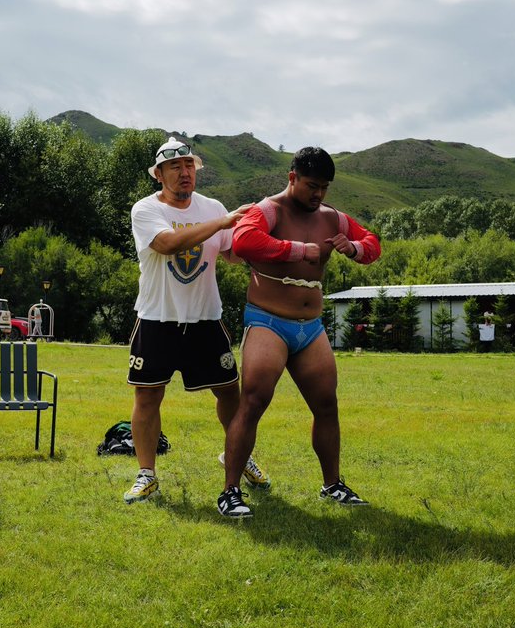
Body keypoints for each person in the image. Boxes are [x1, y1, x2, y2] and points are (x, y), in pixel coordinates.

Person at [217, 146, 381, 518]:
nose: (318, 194)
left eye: (324, 187)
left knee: (327, 404)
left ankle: (332, 484)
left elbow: (373, 244)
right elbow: (243, 241)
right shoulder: (269, 209)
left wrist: (353, 248)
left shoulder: (333, 218)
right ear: (292, 178)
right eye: (311, 185)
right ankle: (230, 492)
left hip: (311, 328)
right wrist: (295, 250)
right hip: (268, 321)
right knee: (254, 401)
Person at [123, 137, 268, 503]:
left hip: (205, 318)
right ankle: (146, 474)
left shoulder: (212, 207)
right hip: (158, 318)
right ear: (159, 174)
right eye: (175, 167)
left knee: (229, 394)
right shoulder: (144, 210)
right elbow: (169, 244)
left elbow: (233, 254)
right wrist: (223, 221)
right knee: (147, 397)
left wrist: (270, 246)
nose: (185, 173)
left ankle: (238, 456)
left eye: (189, 166)